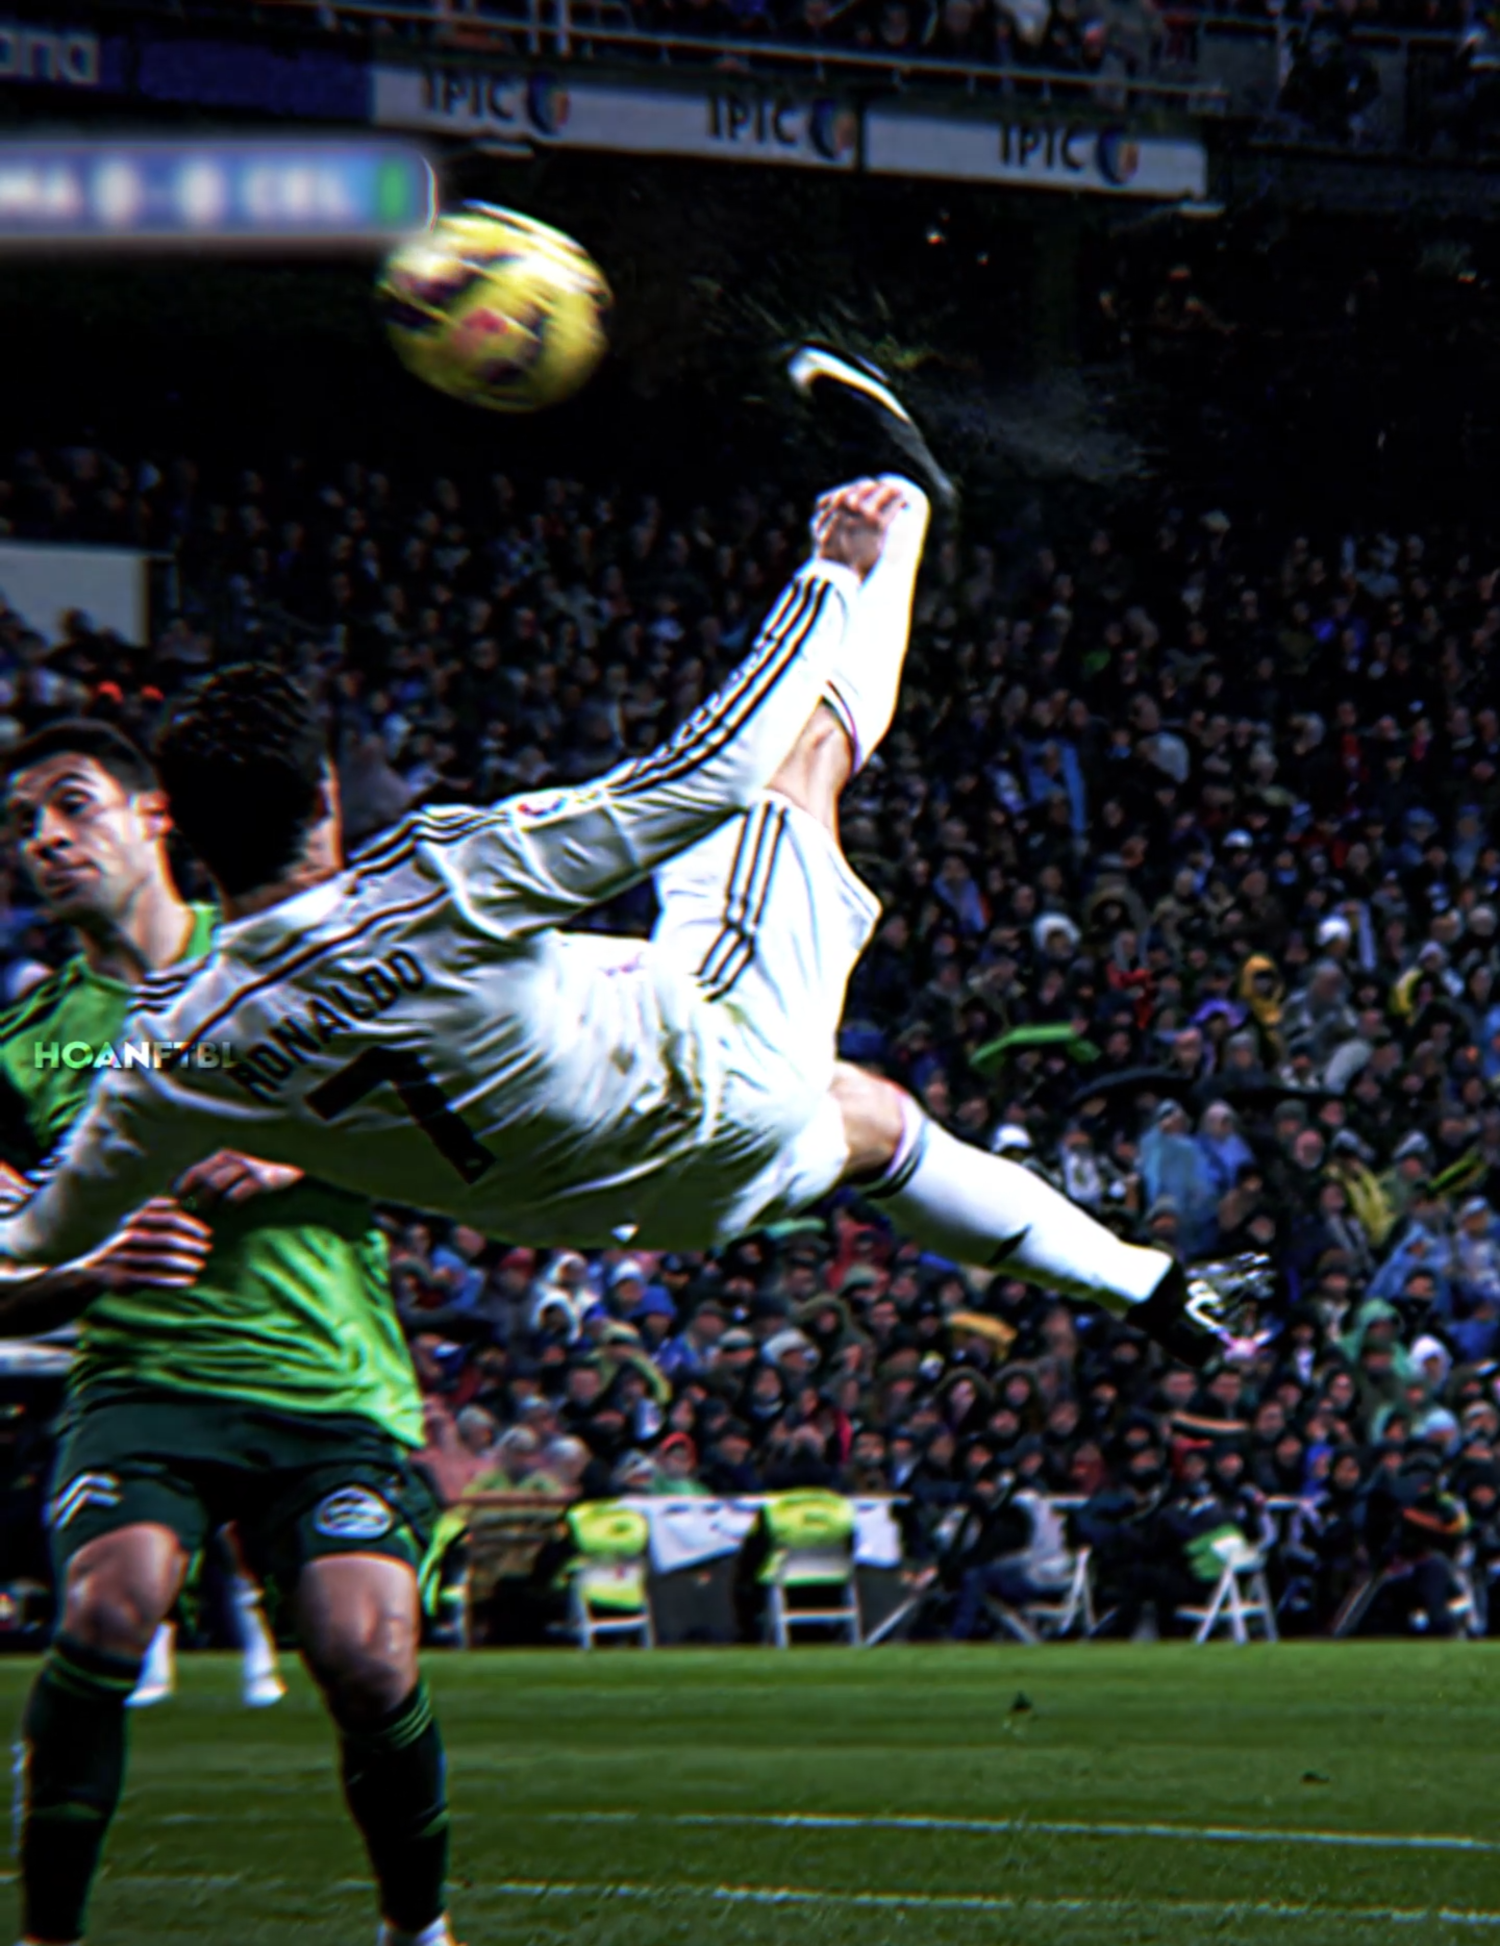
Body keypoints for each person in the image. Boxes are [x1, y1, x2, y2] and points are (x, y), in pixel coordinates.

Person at [0, 386, 1260, 1378]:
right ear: (326, 797)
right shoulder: (437, 879)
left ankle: (1154, 1286)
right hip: (708, 1083)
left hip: (631, 1208)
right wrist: (827, 570)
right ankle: (910, 515)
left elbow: (37, 1237)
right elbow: (700, 777)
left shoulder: (172, 1049)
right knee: (792, 771)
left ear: (189, 842)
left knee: (873, 1121)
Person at [0, 722, 483, 1946]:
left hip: (326, 1380)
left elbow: (444, 1121)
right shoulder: (30, 1044)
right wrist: (88, 1269)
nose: (44, 837)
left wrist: (302, 1150)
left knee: (368, 1650)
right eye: (22, 822)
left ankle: (417, 1937)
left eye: (72, 805)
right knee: (111, 1605)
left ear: (158, 817)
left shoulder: (289, 964)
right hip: (143, 1386)